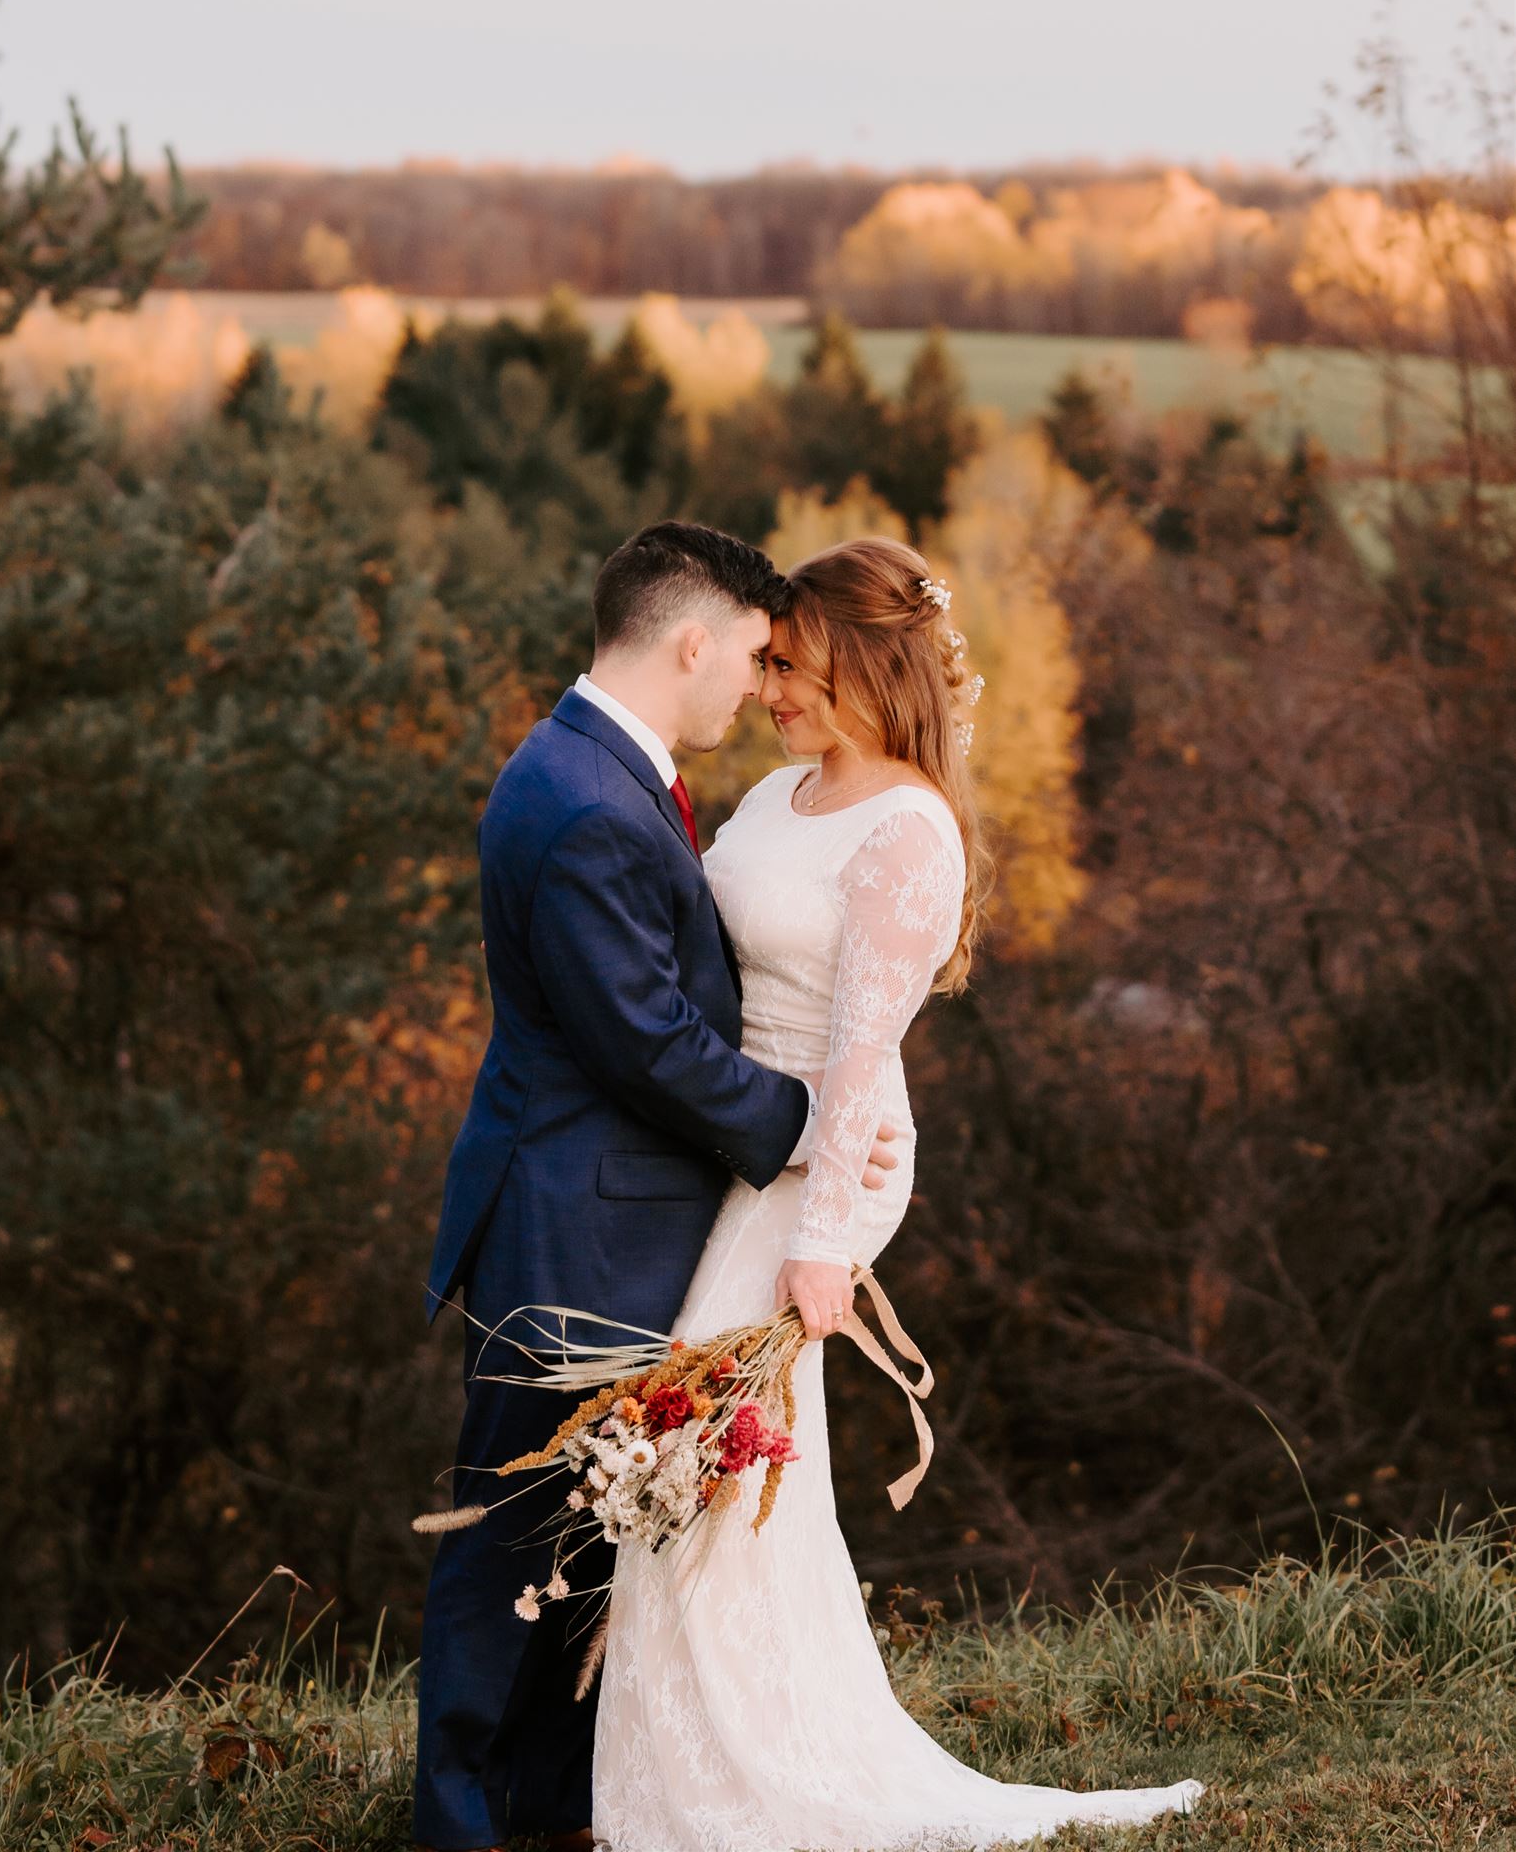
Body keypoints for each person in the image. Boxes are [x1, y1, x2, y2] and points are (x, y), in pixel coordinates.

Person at [591, 536, 1206, 1851]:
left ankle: (737, 1789)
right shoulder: (772, 799)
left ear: (863, 664)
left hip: (817, 1171)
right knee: (703, 1468)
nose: (768, 689)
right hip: (733, 1149)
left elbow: (862, 1065)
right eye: (765, 667)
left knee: (702, 1464)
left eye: (792, 665)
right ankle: (681, 1779)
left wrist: (822, 1253)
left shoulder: (908, 832)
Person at [413, 522, 900, 1852]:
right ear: (690, 641)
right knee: (516, 1531)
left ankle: (546, 1804)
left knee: (589, 1524)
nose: (758, 682)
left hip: (598, 1212)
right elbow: (646, 1041)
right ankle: (462, 1819)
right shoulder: (579, 804)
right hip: (572, 1222)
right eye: (749, 653)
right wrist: (812, 1120)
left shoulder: (598, 771)